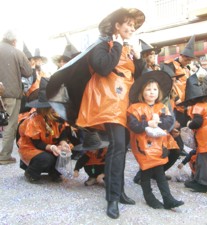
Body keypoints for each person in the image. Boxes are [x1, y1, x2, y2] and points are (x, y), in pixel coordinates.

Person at [46, 8, 145, 219]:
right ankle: (113, 198)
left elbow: (140, 76)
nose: (132, 27)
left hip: (125, 105)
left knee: (120, 148)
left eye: (134, 25)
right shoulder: (101, 45)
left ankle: (119, 190)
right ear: (116, 25)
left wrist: (138, 56)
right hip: (108, 105)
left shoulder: (129, 48)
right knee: (117, 148)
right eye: (127, 23)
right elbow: (103, 67)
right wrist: (117, 45)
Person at [127, 70, 184, 210]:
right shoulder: (134, 108)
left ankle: (167, 198)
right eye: (148, 89)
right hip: (143, 147)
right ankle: (151, 197)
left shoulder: (162, 107)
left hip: (159, 146)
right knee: (146, 171)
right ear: (142, 92)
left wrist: (158, 122)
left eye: (154, 89)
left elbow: (169, 120)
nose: (152, 92)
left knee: (158, 172)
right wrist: (147, 124)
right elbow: (133, 126)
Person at [18, 77, 71, 183]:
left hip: (51, 147)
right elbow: (36, 142)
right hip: (32, 148)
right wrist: (52, 147)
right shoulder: (34, 120)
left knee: (64, 154)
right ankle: (31, 172)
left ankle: (54, 173)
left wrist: (63, 143)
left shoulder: (57, 116)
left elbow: (64, 131)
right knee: (46, 158)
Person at [177, 72, 207, 193]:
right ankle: (197, 180)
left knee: (202, 162)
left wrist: (188, 125)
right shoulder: (205, 105)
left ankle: (203, 184)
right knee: (200, 160)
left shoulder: (198, 106)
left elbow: (197, 122)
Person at [0, 30, 32, 165]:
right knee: (9, 125)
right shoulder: (17, 52)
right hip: (9, 94)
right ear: (14, 41)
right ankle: (4, 156)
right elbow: (28, 71)